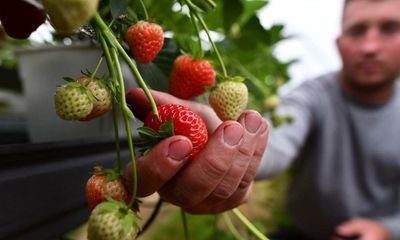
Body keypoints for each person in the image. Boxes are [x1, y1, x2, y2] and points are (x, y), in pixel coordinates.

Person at [125, 0, 400, 239]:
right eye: (357, 30)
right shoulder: (314, 95)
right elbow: (279, 142)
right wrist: (235, 143)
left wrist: (386, 230)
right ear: (339, 44)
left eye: (389, 28)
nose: (370, 46)